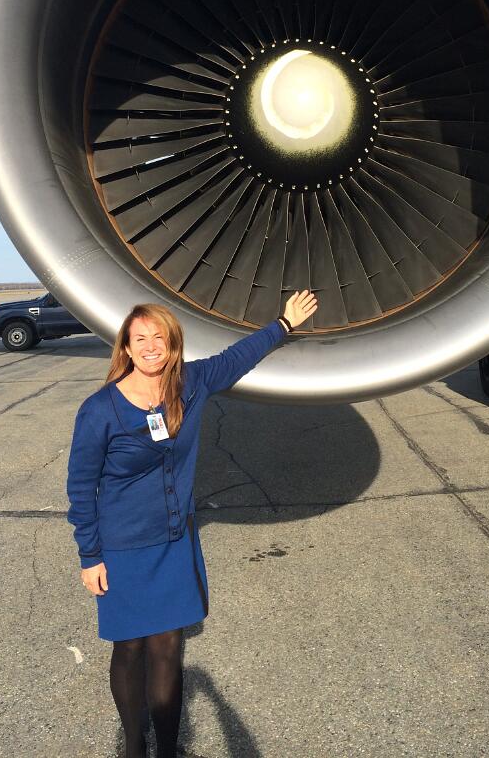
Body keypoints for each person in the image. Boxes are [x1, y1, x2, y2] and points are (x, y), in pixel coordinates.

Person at [66, 290, 318, 758]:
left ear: (172, 344)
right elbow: (81, 488)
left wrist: (283, 325)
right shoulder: (100, 410)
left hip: (173, 544)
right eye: (139, 339)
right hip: (122, 547)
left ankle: (167, 748)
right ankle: (133, 745)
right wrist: (90, 556)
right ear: (125, 348)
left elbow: (237, 358)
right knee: (129, 648)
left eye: (158, 337)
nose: (150, 346)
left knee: (167, 649)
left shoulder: (191, 384)